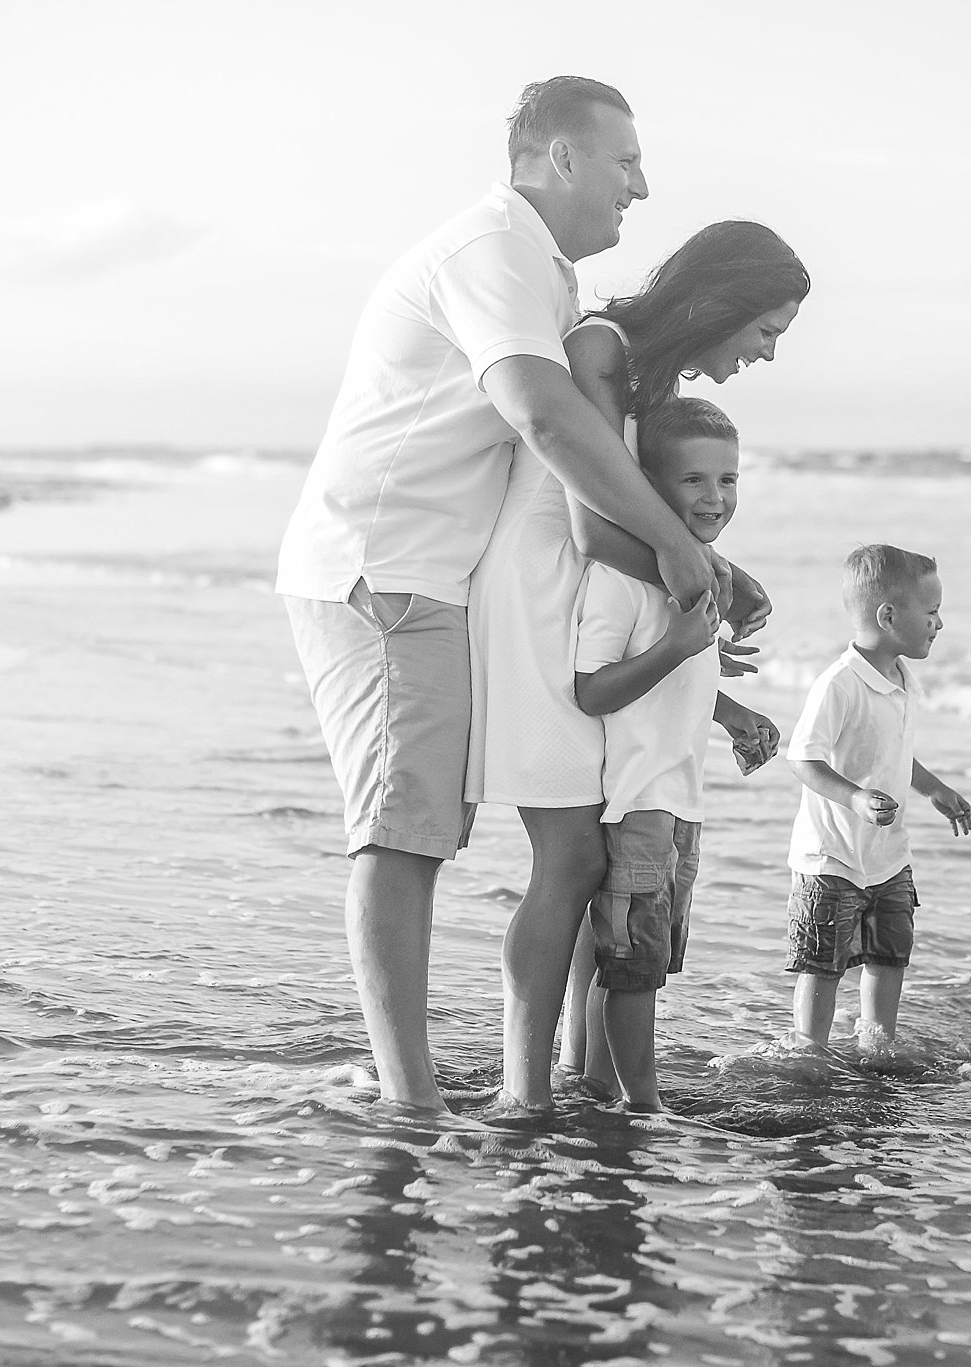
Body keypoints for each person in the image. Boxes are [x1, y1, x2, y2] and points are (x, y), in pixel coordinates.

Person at [274, 76, 717, 1116]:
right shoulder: (495, 251)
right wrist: (675, 549)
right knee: (401, 830)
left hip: (424, 573)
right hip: (382, 569)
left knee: (426, 824)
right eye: (625, 161)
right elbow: (546, 422)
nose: (640, 186)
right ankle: (410, 1103)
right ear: (559, 157)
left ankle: (436, 1086)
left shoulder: (541, 273)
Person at [465, 219, 808, 1105]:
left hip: (593, 583)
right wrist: (707, 571)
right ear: (721, 303)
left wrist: (720, 574)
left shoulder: (645, 371)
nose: (766, 354)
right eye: (765, 330)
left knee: (596, 854)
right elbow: (589, 520)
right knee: (572, 859)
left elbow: (642, 512)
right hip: (549, 589)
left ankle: (583, 1075)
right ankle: (526, 1090)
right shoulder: (603, 348)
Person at [571, 398, 758, 1111]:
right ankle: (643, 1104)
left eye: (729, 480)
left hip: (683, 803)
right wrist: (678, 642)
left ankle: (599, 1081)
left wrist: (735, 715)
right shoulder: (622, 581)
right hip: (639, 801)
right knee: (634, 970)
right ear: (648, 486)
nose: (715, 497)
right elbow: (593, 690)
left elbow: (683, 685)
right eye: (693, 481)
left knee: (638, 964)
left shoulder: (697, 580)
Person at [783, 544, 971, 1052]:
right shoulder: (840, 684)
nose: (940, 624)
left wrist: (935, 788)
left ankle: (876, 1041)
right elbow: (803, 758)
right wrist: (856, 798)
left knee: (889, 953)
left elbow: (892, 751)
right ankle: (810, 1048)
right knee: (823, 962)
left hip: (888, 857)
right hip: (834, 856)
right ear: (888, 616)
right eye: (931, 612)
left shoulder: (903, 679)